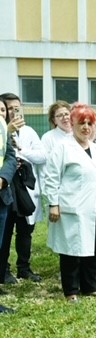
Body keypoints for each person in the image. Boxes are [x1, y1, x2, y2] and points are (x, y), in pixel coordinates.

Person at [43, 103, 96, 303]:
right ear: (73, 124)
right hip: (72, 206)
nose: (86, 127)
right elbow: (51, 178)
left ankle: (89, 285)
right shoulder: (63, 148)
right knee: (72, 249)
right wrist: (53, 204)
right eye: (81, 123)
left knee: (95, 247)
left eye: (89, 123)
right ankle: (71, 290)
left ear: (95, 126)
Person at [0, 93, 46, 285]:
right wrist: (6, 131)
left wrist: (21, 152)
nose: (12, 112)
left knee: (25, 228)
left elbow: (42, 156)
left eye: (16, 108)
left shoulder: (28, 132)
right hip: (7, 186)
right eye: (8, 108)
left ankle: (24, 268)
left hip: (23, 186)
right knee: (6, 230)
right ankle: (4, 270)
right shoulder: (3, 130)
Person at [0, 100, 18, 313]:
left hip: (1, 196)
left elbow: (10, 157)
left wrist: (3, 178)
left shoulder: (4, 134)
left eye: (3, 110)